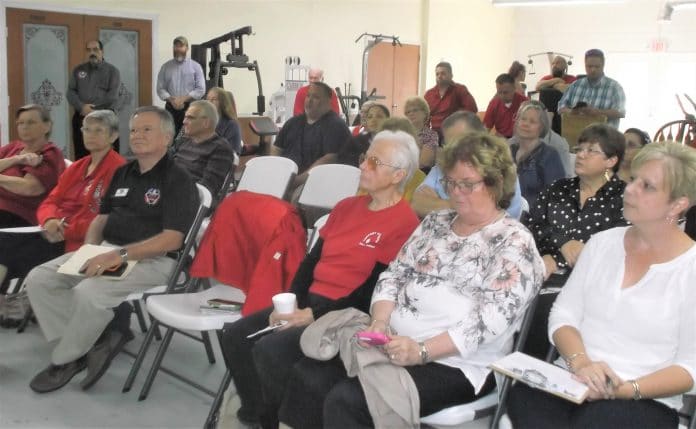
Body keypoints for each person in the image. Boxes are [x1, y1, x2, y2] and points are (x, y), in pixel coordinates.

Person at [269, 132, 545, 428]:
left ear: (496, 184)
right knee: (308, 378)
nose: (456, 192)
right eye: (451, 182)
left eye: (467, 184)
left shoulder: (514, 242)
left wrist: (422, 350)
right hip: (391, 341)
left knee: (349, 400)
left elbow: (487, 322)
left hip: (456, 363)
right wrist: (379, 321)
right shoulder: (436, 223)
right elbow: (392, 276)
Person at [220, 130, 421, 427]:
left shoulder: (404, 223)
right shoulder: (346, 207)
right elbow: (311, 262)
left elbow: (372, 292)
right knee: (236, 336)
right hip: (311, 303)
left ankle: (275, 418)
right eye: (365, 158)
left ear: (397, 175)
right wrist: (293, 304)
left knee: (269, 351)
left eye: (375, 162)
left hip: (347, 315)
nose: (363, 166)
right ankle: (260, 415)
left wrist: (312, 315)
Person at [508, 142, 696, 429]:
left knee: (599, 421)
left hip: (642, 396)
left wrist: (623, 389)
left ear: (678, 204)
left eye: (647, 186)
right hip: (572, 377)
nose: (630, 189)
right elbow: (563, 315)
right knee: (524, 398)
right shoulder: (602, 244)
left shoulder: (690, 268)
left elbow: (689, 369)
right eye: (632, 179)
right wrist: (581, 363)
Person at [25, 106, 199, 393]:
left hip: (155, 260)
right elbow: (102, 218)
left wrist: (118, 255)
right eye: (134, 130)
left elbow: (172, 240)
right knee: (40, 278)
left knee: (88, 292)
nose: (137, 135)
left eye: (147, 130)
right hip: (109, 249)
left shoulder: (178, 179)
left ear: (167, 138)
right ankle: (93, 339)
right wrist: (90, 249)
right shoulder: (124, 172)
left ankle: (67, 359)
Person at [520, 123, 626, 358]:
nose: (581, 155)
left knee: (543, 310)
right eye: (580, 148)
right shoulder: (559, 188)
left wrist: (560, 259)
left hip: (589, 282)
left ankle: (533, 375)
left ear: (611, 161)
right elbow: (531, 224)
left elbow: (619, 244)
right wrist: (561, 243)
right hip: (540, 270)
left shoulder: (622, 197)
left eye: (591, 151)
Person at [0, 110, 125, 295]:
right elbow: (50, 201)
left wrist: (65, 229)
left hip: (79, 240)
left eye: (99, 130)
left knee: (7, 249)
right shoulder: (77, 166)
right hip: (51, 231)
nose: (91, 135)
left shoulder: (119, 169)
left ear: (113, 135)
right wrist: (49, 220)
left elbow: (104, 218)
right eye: (87, 129)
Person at [412, 111, 523, 219]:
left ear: (482, 137)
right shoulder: (440, 169)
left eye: (460, 142)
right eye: (448, 144)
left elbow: (501, 218)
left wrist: (440, 204)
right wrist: (458, 205)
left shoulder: (502, 171)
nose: (453, 150)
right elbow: (417, 204)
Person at [271, 82, 351, 188]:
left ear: (328, 101)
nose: (309, 100)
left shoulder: (336, 126)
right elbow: (277, 148)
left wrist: (295, 181)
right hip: (285, 179)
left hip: (316, 184)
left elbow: (329, 159)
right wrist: (275, 171)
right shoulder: (292, 123)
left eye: (316, 97)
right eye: (308, 96)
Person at [0, 104, 64, 228]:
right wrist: (17, 159)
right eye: (20, 123)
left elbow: (29, 188)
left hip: (19, 215)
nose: (24, 127)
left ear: (47, 126)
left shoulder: (49, 153)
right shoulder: (13, 147)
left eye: (31, 122)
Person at [67, 40, 121, 159]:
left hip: (105, 118)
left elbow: (112, 96)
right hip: (81, 117)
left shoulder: (112, 71)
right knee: (82, 155)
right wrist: (82, 107)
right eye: (89, 50)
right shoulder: (78, 70)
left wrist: (93, 109)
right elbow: (70, 92)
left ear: (102, 51)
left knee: (107, 156)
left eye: (95, 49)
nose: (92, 53)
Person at [509, 101, 567, 207]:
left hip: (536, 216)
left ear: (541, 127)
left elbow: (556, 196)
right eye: (523, 119)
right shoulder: (508, 151)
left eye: (532, 121)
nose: (525, 124)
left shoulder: (549, 155)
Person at [172, 100, 234, 197]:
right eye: (185, 117)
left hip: (189, 202)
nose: (184, 122)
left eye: (190, 118)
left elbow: (208, 189)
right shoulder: (184, 141)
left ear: (206, 123)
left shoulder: (220, 149)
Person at [558, 49, 626, 128]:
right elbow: (561, 107)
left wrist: (598, 112)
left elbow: (621, 112)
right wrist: (572, 112)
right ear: (585, 65)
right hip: (576, 135)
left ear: (603, 65)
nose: (593, 70)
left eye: (597, 66)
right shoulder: (575, 85)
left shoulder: (615, 87)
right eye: (589, 66)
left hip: (605, 137)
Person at [156, 36, 205, 135]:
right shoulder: (165, 67)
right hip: (170, 107)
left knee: (189, 136)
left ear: (187, 48)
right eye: (175, 46)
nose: (178, 49)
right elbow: (160, 89)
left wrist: (183, 99)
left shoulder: (196, 67)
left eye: (181, 46)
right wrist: (171, 99)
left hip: (190, 107)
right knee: (169, 136)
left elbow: (201, 89)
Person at [423, 62, 478, 134]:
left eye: (443, 73)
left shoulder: (460, 89)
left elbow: (472, 109)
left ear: (451, 75)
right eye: (437, 74)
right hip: (434, 133)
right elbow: (424, 116)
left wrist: (457, 118)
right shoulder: (429, 94)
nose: (439, 76)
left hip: (454, 132)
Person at [484, 73, 528, 138]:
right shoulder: (493, 104)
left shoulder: (525, 102)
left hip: (522, 139)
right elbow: (485, 130)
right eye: (499, 92)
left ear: (514, 88)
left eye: (505, 92)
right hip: (501, 140)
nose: (502, 96)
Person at [404, 96, 439, 170]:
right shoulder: (401, 133)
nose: (411, 114)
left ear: (425, 113)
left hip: (419, 175)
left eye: (415, 110)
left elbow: (424, 163)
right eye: (408, 112)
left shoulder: (431, 135)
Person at [206, 87, 242, 154]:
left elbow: (233, 155)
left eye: (213, 99)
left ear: (222, 103)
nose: (209, 102)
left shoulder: (231, 125)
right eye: (207, 99)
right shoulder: (201, 122)